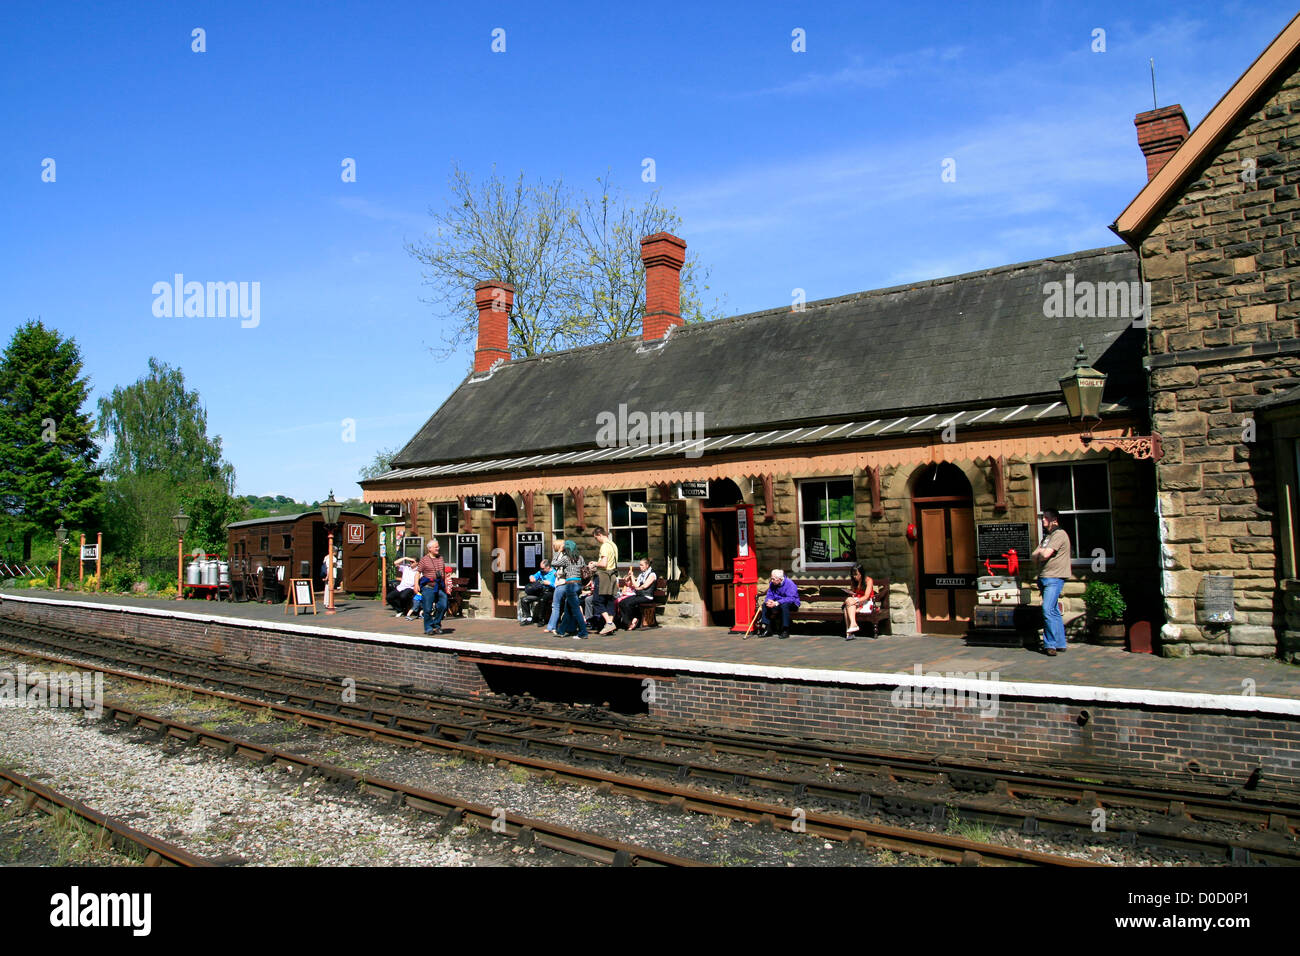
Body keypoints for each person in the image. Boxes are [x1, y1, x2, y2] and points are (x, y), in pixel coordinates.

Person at [1032, 509, 1071, 656]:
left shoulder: (1059, 534)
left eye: (1046, 518)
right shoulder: (1048, 537)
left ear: (1054, 519)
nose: (1043, 520)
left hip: (1054, 578)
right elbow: (1034, 555)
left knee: (1047, 610)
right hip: (1044, 577)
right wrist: (1041, 552)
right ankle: (1060, 643)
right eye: (1042, 517)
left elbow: (1044, 555)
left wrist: (1042, 552)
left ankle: (1050, 645)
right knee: (1053, 611)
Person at [548, 540, 588, 639]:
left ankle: (583, 632)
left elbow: (553, 563)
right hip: (578, 585)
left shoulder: (566, 558)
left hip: (570, 585)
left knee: (576, 610)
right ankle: (561, 631)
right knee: (568, 609)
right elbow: (583, 569)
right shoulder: (580, 558)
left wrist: (559, 551)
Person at [417, 540, 448, 636]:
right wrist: (416, 585)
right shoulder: (424, 559)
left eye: (438, 547)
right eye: (436, 547)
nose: (438, 548)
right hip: (428, 587)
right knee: (427, 609)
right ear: (429, 549)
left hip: (439, 586)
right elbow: (418, 572)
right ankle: (429, 627)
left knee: (443, 605)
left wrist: (446, 585)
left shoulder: (441, 558)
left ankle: (436, 623)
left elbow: (444, 572)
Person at [617, 558, 658, 630]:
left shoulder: (652, 574)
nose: (640, 567)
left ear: (647, 565)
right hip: (639, 595)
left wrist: (638, 588)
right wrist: (632, 576)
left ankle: (633, 620)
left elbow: (645, 585)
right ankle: (630, 621)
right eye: (640, 565)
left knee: (628, 603)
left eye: (642, 565)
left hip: (647, 596)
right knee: (622, 602)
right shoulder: (641, 575)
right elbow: (636, 585)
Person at [592, 527, 619, 635]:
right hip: (613, 575)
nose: (596, 540)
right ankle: (610, 625)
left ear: (600, 535)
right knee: (609, 601)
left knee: (597, 600)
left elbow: (603, 564)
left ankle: (609, 623)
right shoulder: (613, 545)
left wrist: (594, 563)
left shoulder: (604, 546)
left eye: (596, 538)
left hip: (604, 576)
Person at [761, 569, 800, 640]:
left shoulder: (790, 584)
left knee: (784, 605)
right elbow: (769, 595)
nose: (771, 580)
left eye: (773, 579)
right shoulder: (772, 584)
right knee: (764, 605)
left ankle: (785, 630)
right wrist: (768, 601)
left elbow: (791, 598)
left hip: (792, 604)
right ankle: (768, 629)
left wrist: (776, 602)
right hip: (778, 603)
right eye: (771, 578)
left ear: (780, 579)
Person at [842, 564, 876, 640]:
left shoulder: (868, 580)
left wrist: (855, 600)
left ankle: (849, 633)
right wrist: (852, 595)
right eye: (853, 575)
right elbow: (854, 593)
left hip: (866, 602)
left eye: (856, 574)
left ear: (861, 573)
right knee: (848, 603)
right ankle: (853, 625)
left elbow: (867, 596)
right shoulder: (854, 581)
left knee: (848, 606)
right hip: (857, 601)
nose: (854, 576)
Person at [519, 559, 556, 624]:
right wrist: (531, 577)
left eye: (543, 568)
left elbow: (557, 585)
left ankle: (541, 619)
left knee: (542, 599)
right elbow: (533, 576)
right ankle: (529, 619)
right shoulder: (540, 572)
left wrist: (549, 583)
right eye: (540, 568)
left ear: (548, 567)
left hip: (550, 592)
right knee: (524, 599)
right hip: (540, 592)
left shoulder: (554, 573)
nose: (541, 570)